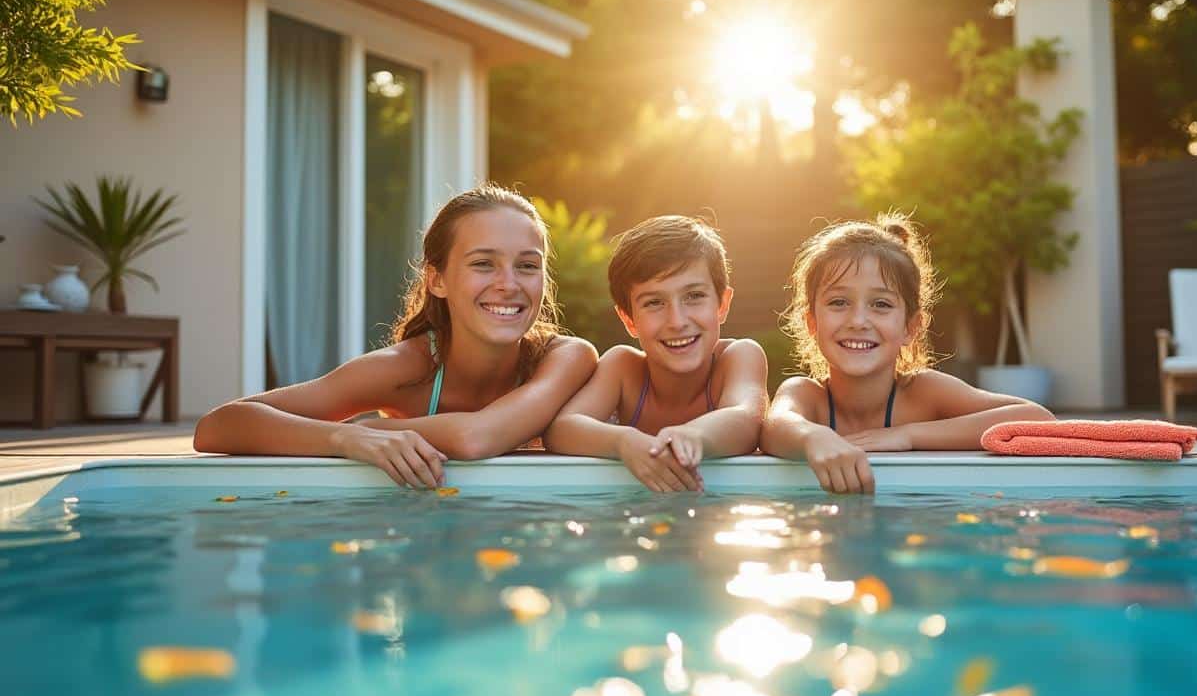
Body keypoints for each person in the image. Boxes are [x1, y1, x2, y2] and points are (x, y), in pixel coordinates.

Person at [194, 184, 598, 487]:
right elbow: (217, 426)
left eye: (527, 266)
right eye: (483, 264)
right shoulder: (408, 369)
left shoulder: (565, 357)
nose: (508, 284)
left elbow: (475, 438)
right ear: (437, 280)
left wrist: (368, 433)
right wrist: (343, 439)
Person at [760, 214, 1054, 494]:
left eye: (881, 304)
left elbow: (1037, 419)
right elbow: (773, 428)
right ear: (812, 322)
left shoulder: (923, 393)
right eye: (839, 302)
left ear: (910, 328)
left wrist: (907, 435)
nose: (858, 321)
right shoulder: (807, 395)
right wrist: (814, 437)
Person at [543, 215, 768, 492]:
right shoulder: (624, 368)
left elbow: (746, 418)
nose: (677, 321)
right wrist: (623, 442)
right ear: (629, 320)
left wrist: (691, 436)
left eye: (694, 296)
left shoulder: (737, 356)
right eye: (654, 302)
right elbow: (562, 428)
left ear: (722, 304)